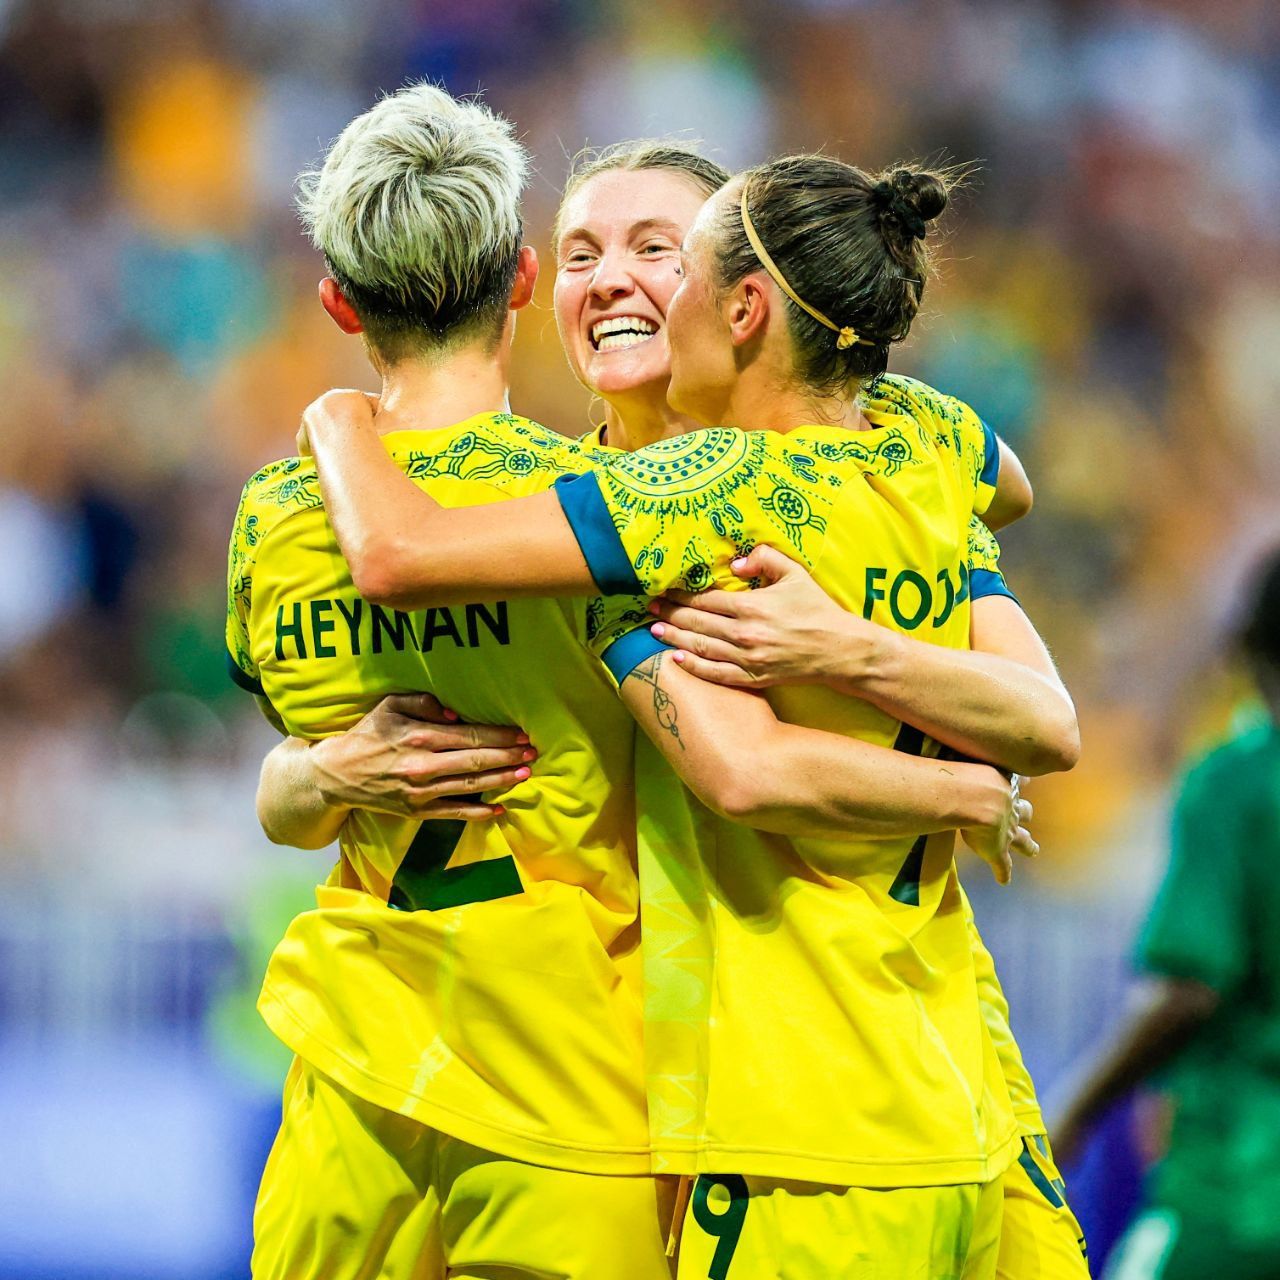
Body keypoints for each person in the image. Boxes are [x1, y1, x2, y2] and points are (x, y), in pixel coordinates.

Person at [230, 89, 1029, 1280]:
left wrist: (337, 421)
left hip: (864, 1078)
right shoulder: (581, 512)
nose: (613, 278)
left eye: (660, 249)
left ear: (733, 295)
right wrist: (317, 773)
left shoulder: (812, 478)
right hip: (659, 1102)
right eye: (582, 252)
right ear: (525, 282)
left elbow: (1019, 706)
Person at [1053, 548, 1280, 1280]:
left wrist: (1076, 1110)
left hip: (1242, 1185)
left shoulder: (1240, 783)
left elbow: (1190, 988)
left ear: (1249, 648)